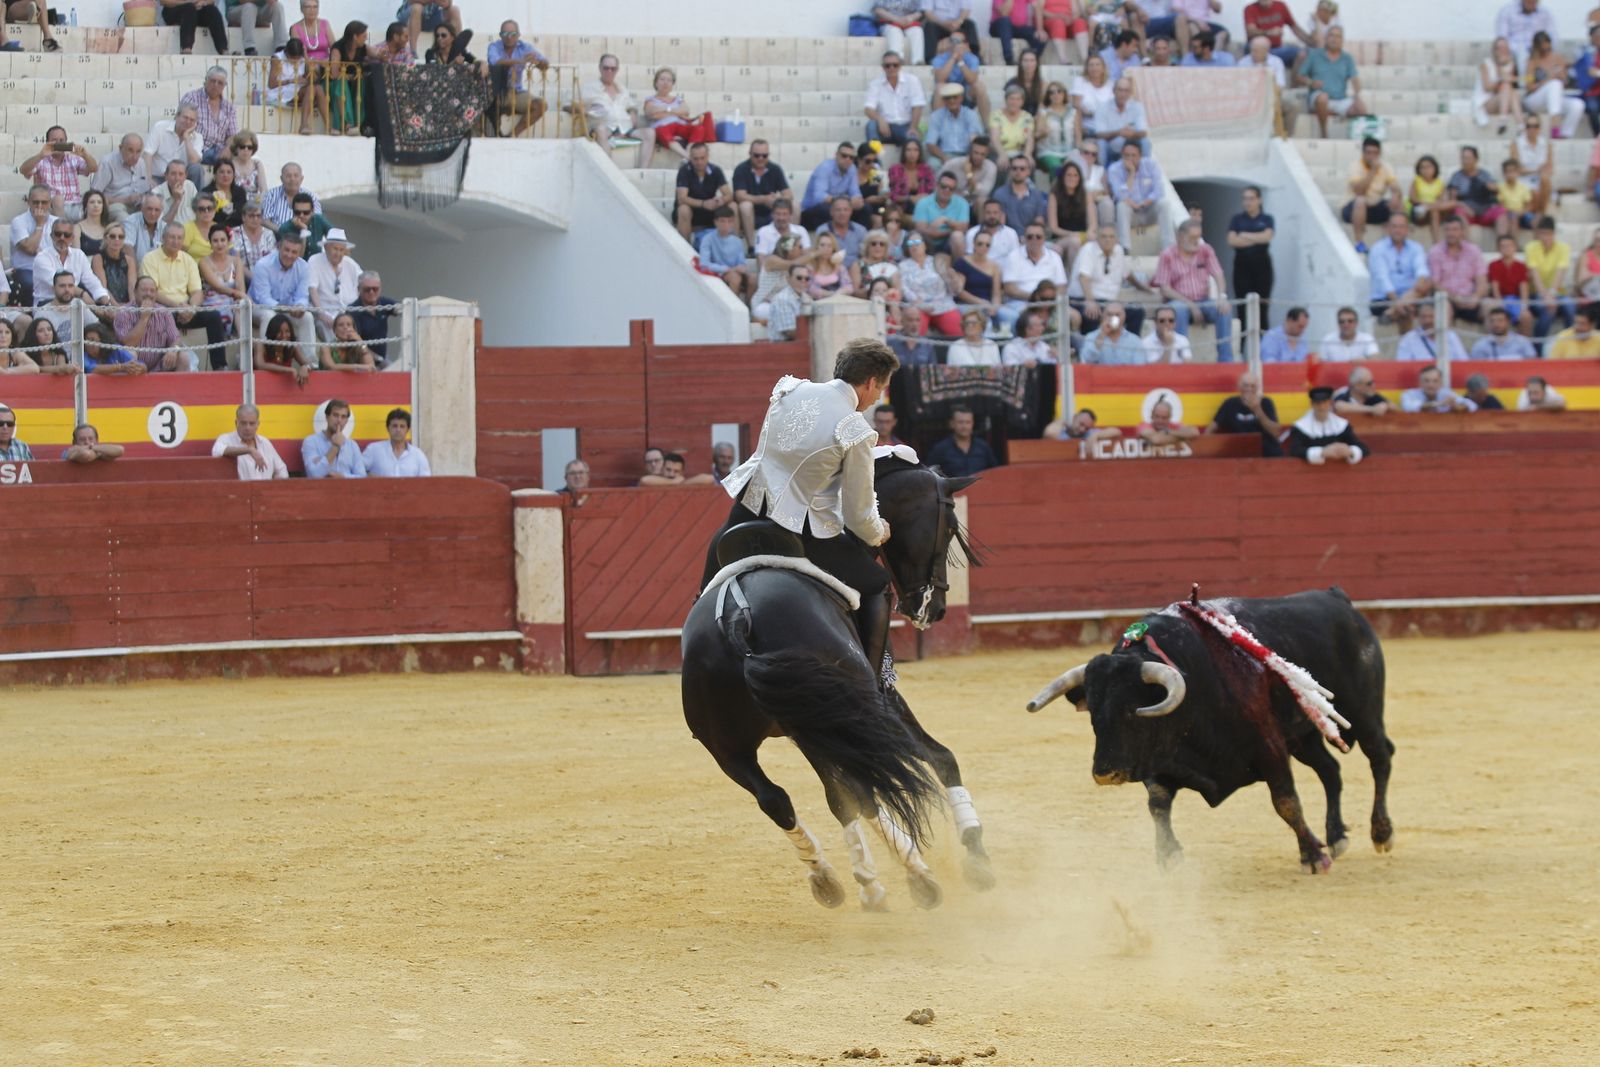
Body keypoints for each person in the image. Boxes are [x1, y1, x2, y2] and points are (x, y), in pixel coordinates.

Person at [703, 339, 901, 678]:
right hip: (798, 530)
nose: (877, 397)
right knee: (879, 585)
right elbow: (858, 515)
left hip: (748, 507)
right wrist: (878, 530)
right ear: (870, 382)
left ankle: (699, 633)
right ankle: (875, 681)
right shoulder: (856, 430)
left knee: (713, 568)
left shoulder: (788, 388)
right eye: (880, 388)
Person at [143, 222, 228, 369]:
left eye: (179, 238)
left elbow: (197, 292)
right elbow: (152, 293)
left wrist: (192, 309)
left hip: (185, 310)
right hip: (163, 311)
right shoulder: (150, 258)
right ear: (163, 238)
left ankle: (220, 366)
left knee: (214, 316)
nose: (176, 241)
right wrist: (179, 307)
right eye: (172, 237)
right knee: (165, 313)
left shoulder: (188, 260)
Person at [1154, 220, 1231, 361]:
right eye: (1193, 238)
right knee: (1179, 309)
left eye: (1198, 237)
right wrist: (1190, 304)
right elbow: (1165, 289)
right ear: (1180, 238)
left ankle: (1225, 360)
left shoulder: (1206, 250)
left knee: (1224, 309)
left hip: (1203, 300)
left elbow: (1218, 274)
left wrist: (1222, 296)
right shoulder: (1167, 255)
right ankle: (1180, 358)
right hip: (1178, 300)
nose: (1197, 242)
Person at [1072, 224, 1148, 337]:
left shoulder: (1118, 250)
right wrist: (1091, 301)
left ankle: (1131, 348)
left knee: (1137, 312)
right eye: (1104, 236)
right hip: (1083, 300)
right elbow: (1084, 277)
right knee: (1092, 314)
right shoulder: (1088, 249)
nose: (1108, 240)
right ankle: (1090, 350)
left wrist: (1144, 288)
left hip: (1108, 303)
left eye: (1111, 237)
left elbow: (1127, 274)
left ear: (1116, 239)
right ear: (1097, 238)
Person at [249, 233, 317, 355]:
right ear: (278, 247)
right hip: (258, 307)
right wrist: (286, 308)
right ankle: (266, 360)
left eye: (294, 252)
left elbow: (302, 296)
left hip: (287, 309)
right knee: (269, 315)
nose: (289, 255)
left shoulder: (304, 267)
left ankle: (310, 364)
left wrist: (300, 306)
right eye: (286, 250)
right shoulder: (263, 265)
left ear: (299, 253)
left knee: (307, 317)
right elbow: (263, 298)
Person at [114, 275, 193, 372]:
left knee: (183, 357)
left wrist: (173, 350)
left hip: (159, 365)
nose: (148, 294)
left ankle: (179, 387)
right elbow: (128, 344)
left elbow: (175, 338)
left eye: (152, 291)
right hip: (133, 366)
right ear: (135, 292)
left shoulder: (164, 312)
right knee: (130, 353)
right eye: (144, 290)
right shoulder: (124, 312)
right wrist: (144, 318)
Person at [1300, 25, 1365, 139]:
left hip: (1340, 99)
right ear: (1326, 38)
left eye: (1338, 36)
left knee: (1361, 109)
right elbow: (1300, 76)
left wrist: (1357, 96)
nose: (1334, 39)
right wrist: (1311, 83)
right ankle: (1324, 133)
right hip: (1318, 97)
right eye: (1331, 35)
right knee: (1323, 98)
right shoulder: (1315, 55)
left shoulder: (1347, 58)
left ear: (1342, 40)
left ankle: (1357, 141)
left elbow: (1355, 80)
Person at [1000, 223, 1067, 332]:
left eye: (1038, 237)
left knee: (1075, 317)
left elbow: (1061, 286)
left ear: (1045, 238)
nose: (1034, 240)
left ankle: (1065, 347)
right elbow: (1009, 288)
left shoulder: (1054, 257)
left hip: (1050, 303)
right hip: (1021, 303)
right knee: (1028, 319)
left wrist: (1047, 300)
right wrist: (1035, 297)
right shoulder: (1013, 256)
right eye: (1030, 237)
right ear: (1024, 239)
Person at [1106, 141, 1171, 253]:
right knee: (1122, 206)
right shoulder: (1114, 169)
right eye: (1126, 155)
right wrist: (1131, 174)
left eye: (1133, 155)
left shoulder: (1151, 165)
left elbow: (1159, 190)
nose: (1130, 159)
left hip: (1148, 209)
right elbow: (1120, 196)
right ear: (1122, 155)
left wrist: (1145, 203)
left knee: (1164, 203)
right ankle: (1125, 248)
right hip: (1131, 213)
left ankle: (1169, 247)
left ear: (1140, 156)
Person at [31, 219, 111, 309]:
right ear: (52, 236)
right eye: (58, 234)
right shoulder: (42, 258)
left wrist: (104, 298)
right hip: (46, 304)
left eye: (66, 235)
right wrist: (83, 294)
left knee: (106, 313)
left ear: (72, 238)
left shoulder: (79, 255)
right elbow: (60, 284)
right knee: (85, 307)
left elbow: (92, 281)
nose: (62, 238)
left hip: (73, 302)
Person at [487, 21, 549, 137]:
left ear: (519, 35)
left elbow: (544, 63)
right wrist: (520, 61)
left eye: (513, 33)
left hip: (516, 93)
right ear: (500, 35)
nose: (509, 37)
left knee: (541, 105)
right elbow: (495, 62)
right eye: (505, 33)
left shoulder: (525, 47)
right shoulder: (494, 46)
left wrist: (539, 63)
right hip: (497, 93)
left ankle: (513, 135)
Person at [583, 55, 645, 168]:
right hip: (605, 127)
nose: (609, 71)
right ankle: (609, 170)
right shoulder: (589, 88)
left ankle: (643, 171)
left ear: (617, 70)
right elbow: (569, 104)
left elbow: (632, 105)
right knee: (601, 129)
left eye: (613, 68)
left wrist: (632, 112)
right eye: (606, 68)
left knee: (650, 133)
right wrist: (583, 109)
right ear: (600, 68)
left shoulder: (622, 88)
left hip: (625, 127)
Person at [1367, 214, 1431, 322]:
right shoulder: (1378, 249)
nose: (1398, 230)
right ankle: (1397, 309)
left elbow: (1421, 269)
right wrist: (1398, 302)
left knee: (1427, 283)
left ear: (1408, 229)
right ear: (1388, 228)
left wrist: (1420, 283)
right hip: (1385, 299)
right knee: (1407, 309)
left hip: (1412, 295)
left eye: (1401, 227)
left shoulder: (1416, 248)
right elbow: (1382, 279)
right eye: (1394, 226)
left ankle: (1391, 313)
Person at [19, 128, 96, 219]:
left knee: (95, 202)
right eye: (54, 140)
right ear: (47, 142)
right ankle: (63, 228)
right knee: (58, 200)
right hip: (50, 208)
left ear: (66, 141)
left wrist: (85, 155)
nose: (59, 143)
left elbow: (93, 168)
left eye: (61, 140)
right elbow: (23, 170)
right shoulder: (41, 160)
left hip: (75, 205)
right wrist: (41, 155)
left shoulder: (73, 159)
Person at [1341, 136, 1400, 252]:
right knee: (1361, 200)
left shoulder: (1386, 167)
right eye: (1368, 152)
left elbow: (1395, 187)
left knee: (1397, 202)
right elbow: (1359, 191)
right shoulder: (1354, 166)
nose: (1372, 156)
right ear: (1363, 153)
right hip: (1352, 208)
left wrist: (1395, 195)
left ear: (1380, 153)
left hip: (1374, 206)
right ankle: (1359, 242)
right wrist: (1373, 170)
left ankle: (1396, 244)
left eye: (1375, 153)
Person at [1428, 215, 1488, 326]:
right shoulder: (1435, 252)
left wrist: (1476, 297)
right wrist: (1454, 298)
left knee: (1492, 308)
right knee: (1444, 307)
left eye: (1455, 229)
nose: (1451, 233)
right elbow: (1435, 283)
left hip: (1470, 298)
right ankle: (1444, 343)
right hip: (1448, 298)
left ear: (1462, 231)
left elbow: (1482, 281)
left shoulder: (1474, 250)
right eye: (1447, 230)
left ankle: (1493, 343)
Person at [179, 67, 240, 168]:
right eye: (212, 81)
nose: (215, 85)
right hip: (194, 147)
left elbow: (232, 135)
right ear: (205, 80)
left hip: (218, 151)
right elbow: (180, 123)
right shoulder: (191, 98)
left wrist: (228, 148)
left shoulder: (229, 107)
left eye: (220, 83)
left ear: (225, 86)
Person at [731, 141, 789, 249]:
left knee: (793, 205)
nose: (760, 158)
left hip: (770, 212)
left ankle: (788, 245)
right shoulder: (741, 169)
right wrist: (763, 199)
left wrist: (777, 200)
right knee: (745, 205)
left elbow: (788, 194)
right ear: (750, 154)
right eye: (757, 155)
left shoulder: (775, 169)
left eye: (764, 155)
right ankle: (752, 247)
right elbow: (740, 195)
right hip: (748, 214)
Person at [1525, 216, 1575, 340]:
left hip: (1557, 293)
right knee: (1548, 311)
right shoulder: (1531, 247)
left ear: (1554, 233)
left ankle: (1571, 343)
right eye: (1542, 234)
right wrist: (1546, 296)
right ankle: (1538, 347)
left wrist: (1551, 294)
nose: (1545, 237)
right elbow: (1534, 274)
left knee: (1570, 307)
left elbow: (1560, 273)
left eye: (1548, 234)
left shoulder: (1563, 248)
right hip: (1536, 293)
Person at [1209, 373, 1283, 456]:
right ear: (1239, 387)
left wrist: (1257, 409)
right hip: (1239, 451)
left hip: (1265, 451)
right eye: (1246, 385)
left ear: (1257, 388)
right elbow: (1212, 427)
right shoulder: (1230, 403)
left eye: (1252, 386)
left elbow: (1275, 432)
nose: (1249, 389)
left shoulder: (1266, 402)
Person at [1287, 386, 1366, 464]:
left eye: (1325, 402)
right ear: (1312, 404)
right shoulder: (1301, 427)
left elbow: (1363, 448)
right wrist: (1322, 452)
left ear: (1330, 403)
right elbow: (1295, 451)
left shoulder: (1341, 425)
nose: (1321, 407)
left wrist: (1350, 451)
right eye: (1318, 403)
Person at [864, 51, 927, 147]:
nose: (891, 68)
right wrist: (880, 119)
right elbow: (868, 109)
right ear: (883, 67)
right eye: (887, 65)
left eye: (895, 65)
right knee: (871, 126)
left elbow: (918, 105)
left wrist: (913, 127)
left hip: (906, 126)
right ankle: (877, 157)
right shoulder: (875, 84)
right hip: (885, 127)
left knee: (913, 141)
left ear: (900, 66)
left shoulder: (912, 81)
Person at [1084, 77, 1148, 169]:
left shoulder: (1137, 107)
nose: (1123, 94)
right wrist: (1119, 132)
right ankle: (1102, 174)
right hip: (1111, 147)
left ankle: (1144, 172)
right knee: (1101, 143)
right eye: (1120, 90)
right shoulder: (1103, 108)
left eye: (1126, 91)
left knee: (1145, 142)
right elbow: (1099, 134)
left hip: (1130, 148)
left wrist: (1132, 134)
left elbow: (1143, 132)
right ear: (1114, 91)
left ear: (1130, 93)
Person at [214, 403, 290, 480]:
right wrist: (249, 450)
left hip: (265, 490)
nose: (247, 428)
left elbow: (281, 470)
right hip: (240, 491)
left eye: (252, 423)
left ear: (257, 424)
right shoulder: (227, 439)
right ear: (236, 423)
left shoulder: (264, 442)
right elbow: (217, 451)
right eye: (243, 423)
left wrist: (274, 488)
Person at [930, 32, 992, 123]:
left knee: (979, 86)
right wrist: (953, 58)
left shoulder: (972, 58)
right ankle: (938, 128)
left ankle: (987, 126)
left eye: (958, 41)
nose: (954, 44)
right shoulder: (939, 58)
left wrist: (960, 61)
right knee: (940, 87)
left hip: (965, 97)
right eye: (952, 41)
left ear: (965, 44)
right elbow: (940, 79)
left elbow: (972, 80)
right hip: (945, 97)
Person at [90, 134, 154, 222]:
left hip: (138, 205)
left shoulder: (141, 162)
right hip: (115, 205)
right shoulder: (108, 163)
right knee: (125, 219)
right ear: (120, 148)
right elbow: (94, 195)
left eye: (138, 151)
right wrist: (125, 200)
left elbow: (145, 189)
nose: (135, 157)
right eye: (130, 151)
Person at [801, 143, 864, 231]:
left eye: (851, 157)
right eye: (844, 156)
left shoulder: (852, 169)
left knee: (865, 208)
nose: (847, 159)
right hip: (812, 210)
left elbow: (855, 192)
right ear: (836, 155)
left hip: (837, 205)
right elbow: (819, 197)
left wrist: (857, 201)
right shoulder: (825, 168)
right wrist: (846, 201)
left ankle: (859, 238)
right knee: (827, 209)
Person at [301, 398, 366, 478]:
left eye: (343, 417)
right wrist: (335, 447)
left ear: (346, 421)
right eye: (335, 415)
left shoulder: (352, 445)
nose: (339, 420)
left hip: (348, 489)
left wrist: (342, 477)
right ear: (327, 417)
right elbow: (315, 474)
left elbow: (362, 477)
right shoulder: (311, 441)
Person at [699, 207, 752, 304]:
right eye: (722, 221)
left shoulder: (737, 241)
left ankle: (749, 307)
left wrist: (741, 268)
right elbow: (704, 264)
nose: (726, 225)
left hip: (734, 271)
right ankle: (733, 307)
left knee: (753, 279)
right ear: (716, 222)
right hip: (718, 272)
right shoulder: (708, 239)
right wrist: (726, 269)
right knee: (735, 278)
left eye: (729, 221)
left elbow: (741, 262)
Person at [912, 172, 972, 257]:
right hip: (927, 243)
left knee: (957, 236)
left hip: (949, 243)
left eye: (951, 188)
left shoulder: (962, 203)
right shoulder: (923, 203)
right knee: (916, 237)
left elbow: (964, 228)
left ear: (954, 190)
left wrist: (946, 221)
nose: (946, 190)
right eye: (943, 186)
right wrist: (949, 230)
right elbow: (921, 230)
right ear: (936, 185)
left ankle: (960, 268)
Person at [927, 406, 998, 476]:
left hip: (981, 486)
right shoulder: (940, 449)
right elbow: (930, 476)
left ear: (973, 423)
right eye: (960, 422)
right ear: (952, 424)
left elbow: (994, 472)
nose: (964, 426)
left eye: (968, 422)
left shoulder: (983, 447)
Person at [952, 228, 1004, 323]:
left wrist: (995, 307)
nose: (984, 247)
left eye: (987, 245)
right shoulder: (962, 262)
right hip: (967, 304)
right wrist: (979, 302)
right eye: (980, 243)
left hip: (988, 305)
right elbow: (960, 292)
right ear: (974, 244)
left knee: (1011, 317)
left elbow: (996, 294)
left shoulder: (995, 266)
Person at [927, 84, 985, 165]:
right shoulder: (936, 116)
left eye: (955, 97)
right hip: (945, 154)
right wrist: (944, 157)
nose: (952, 100)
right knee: (933, 163)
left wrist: (970, 157)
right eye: (948, 98)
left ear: (961, 98)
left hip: (967, 154)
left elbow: (975, 140)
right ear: (943, 100)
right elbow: (930, 143)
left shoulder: (970, 115)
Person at [363, 407, 431, 476]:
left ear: (407, 429)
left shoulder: (418, 455)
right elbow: (358, 472)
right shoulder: (374, 450)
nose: (398, 430)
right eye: (395, 426)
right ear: (388, 428)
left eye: (402, 426)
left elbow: (426, 483)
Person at [993, 154, 1048, 237]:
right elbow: (1000, 225)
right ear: (1010, 171)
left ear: (1028, 171)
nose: (1018, 171)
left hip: (1031, 238)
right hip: (1008, 239)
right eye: (1014, 168)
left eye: (1022, 169)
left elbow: (1039, 222)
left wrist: (1027, 238)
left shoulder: (1037, 195)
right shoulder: (1000, 194)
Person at [253, 311, 313, 385]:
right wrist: (288, 369)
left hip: (283, 390)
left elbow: (309, 364)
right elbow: (260, 365)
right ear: (272, 332)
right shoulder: (261, 345)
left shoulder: (292, 347)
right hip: (259, 386)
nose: (284, 335)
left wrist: (305, 367)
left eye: (287, 331)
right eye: (279, 332)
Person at [940, 135, 999, 209]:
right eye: (976, 153)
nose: (978, 157)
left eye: (982, 154)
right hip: (953, 201)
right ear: (970, 151)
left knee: (982, 201)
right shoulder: (953, 164)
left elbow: (984, 192)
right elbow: (938, 183)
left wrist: (969, 175)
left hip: (974, 203)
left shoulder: (991, 167)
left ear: (987, 154)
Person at [1396, 303, 1467, 362]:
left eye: (1431, 316)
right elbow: (1403, 365)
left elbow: (1463, 361)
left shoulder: (1450, 336)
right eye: (1423, 317)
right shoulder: (1408, 339)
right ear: (1418, 318)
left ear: (1438, 317)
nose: (1427, 321)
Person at [1080, 301, 1145, 363]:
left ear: (1124, 316)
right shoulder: (1091, 337)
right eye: (1109, 314)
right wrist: (1102, 335)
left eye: (1117, 315)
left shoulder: (1134, 341)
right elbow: (1086, 360)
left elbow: (1140, 367)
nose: (1113, 318)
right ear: (1103, 316)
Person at [763, 263, 813, 342]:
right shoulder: (783, 299)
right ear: (788, 279)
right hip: (782, 346)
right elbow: (789, 331)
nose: (803, 281)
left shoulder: (807, 297)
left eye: (807, 279)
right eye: (799, 278)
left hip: (800, 343)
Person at [261, 163, 322, 228]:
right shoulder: (271, 194)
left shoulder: (310, 196)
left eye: (296, 176)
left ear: (301, 179)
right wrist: (283, 232)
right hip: (277, 235)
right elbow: (265, 221)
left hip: (304, 235)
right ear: (281, 179)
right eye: (288, 176)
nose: (292, 179)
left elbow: (318, 220)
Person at [233, 202, 277, 287]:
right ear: (243, 217)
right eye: (251, 216)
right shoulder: (235, 233)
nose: (255, 219)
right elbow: (236, 261)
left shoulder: (268, 233)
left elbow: (273, 259)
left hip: (267, 278)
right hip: (243, 279)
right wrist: (255, 279)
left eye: (258, 216)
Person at [162, 0, 230, 56]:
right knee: (189, 8)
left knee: (212, 10)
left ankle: (223, 49)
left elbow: (211, 1)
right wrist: (188, 2)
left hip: (195, 10)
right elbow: (164, 2)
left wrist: (203, 2)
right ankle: (186, 48)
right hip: (173, 10)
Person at [1400, 364, 1474, 413]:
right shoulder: (1409, 394)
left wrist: (1459, 407)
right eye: (1426, 381)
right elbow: (1408, 407)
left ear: (1440, 382)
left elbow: (1472, 405)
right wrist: (1439, 404)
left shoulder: (1446, 393)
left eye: (1435, 381)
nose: (1431, 385)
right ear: (1420, 382)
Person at [277, 193, 333, 257]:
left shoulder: (318, 220)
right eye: (297, 212)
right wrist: (304, 230)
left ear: (312, 211)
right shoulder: (285, 228)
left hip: (317, 264)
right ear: (293, 211)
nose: (301, 215)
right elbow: (297, 258)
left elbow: (336, 237)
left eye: (306, 212)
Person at [62, 423, 127, 463]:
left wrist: (92, 447)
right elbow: (86, 455)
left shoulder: (97, 450)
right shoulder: (69, 452)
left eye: (90, 439)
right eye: (82, 439)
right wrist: (99, 453)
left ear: (97, 440)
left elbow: (120, 450)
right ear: (74, 442)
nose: (87, 442)